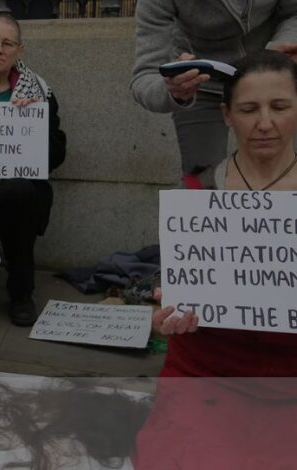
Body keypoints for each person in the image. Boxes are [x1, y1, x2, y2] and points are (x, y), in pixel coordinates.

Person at [134, 51, 297, 469]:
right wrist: (164, 307)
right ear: (226, 115)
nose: (264, 123)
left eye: (279, 107)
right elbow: (172, 285)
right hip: (204, 374)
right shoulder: (195, 194)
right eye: (248, 109)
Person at [0, 13, 67, 326]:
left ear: (19, 50)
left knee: (18, 193)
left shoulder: (40, 91)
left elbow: (57, 153)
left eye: (8, 43)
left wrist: (34, 123)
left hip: (19, 187)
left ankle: (21, 291)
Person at [131, 0, 297, 182]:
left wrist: (283, 47)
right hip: (199, 85)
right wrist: (173, 89)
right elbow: (144, 78)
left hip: (272, 78)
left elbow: (293, 12)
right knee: (201, 182)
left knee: (284, 175)